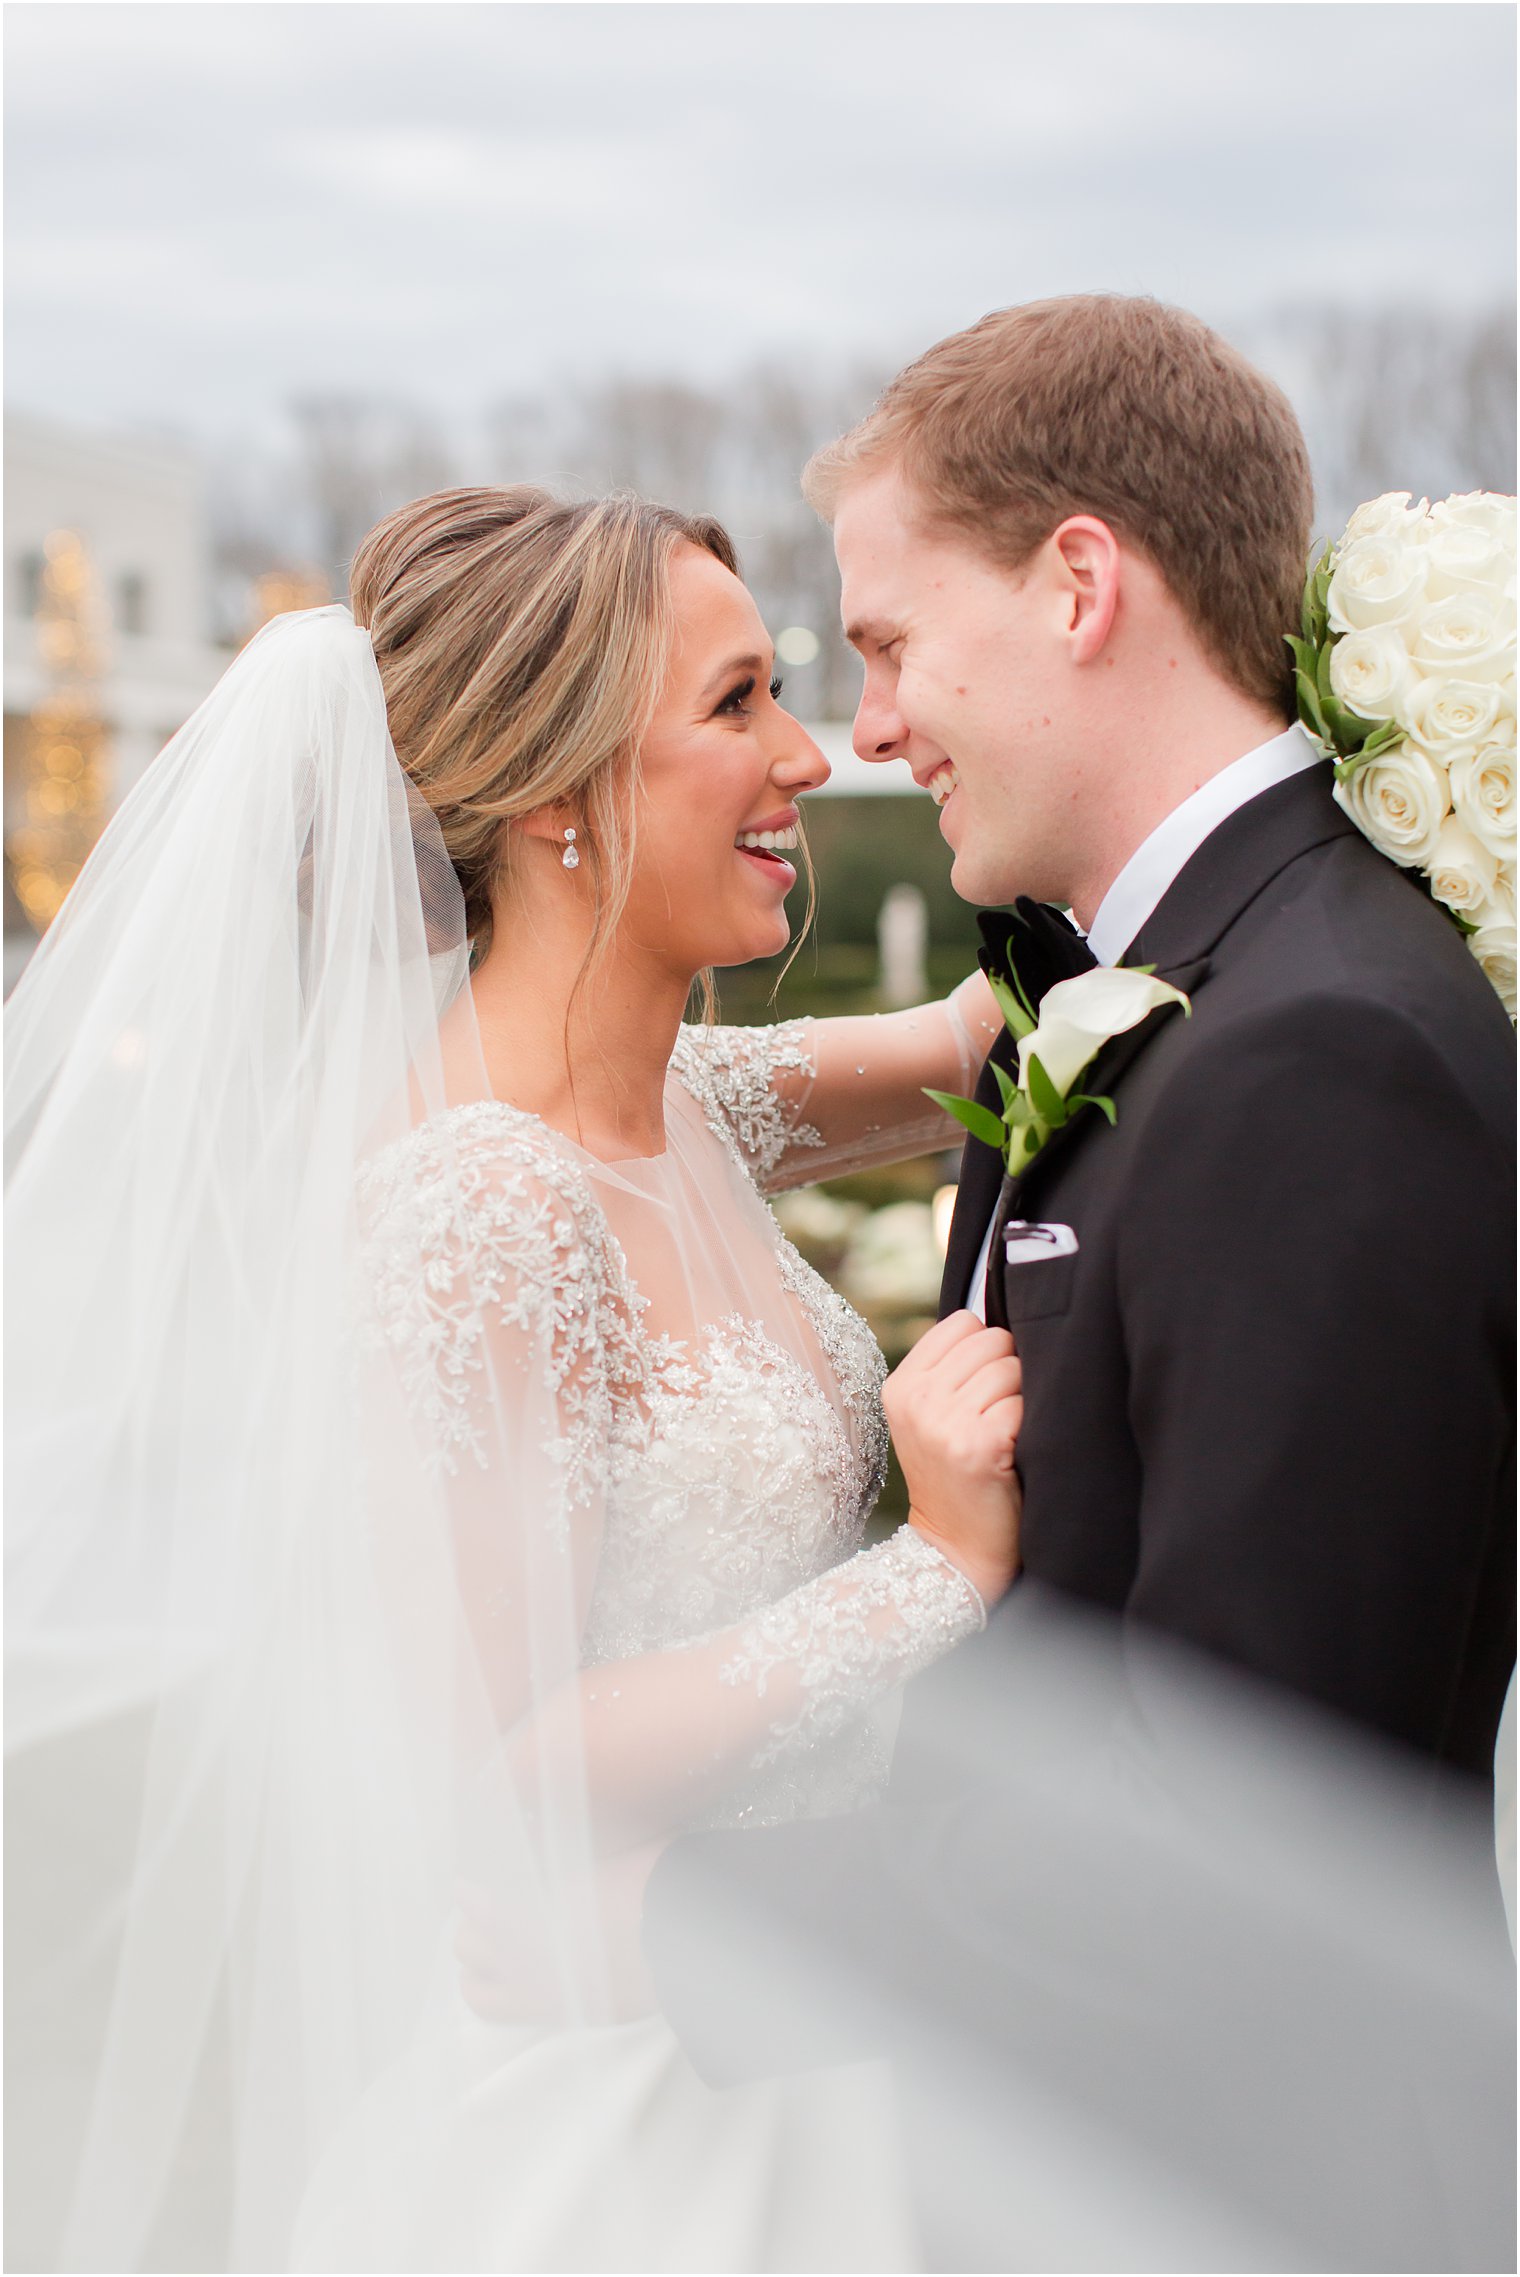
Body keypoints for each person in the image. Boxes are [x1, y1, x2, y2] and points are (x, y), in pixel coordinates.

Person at [4, 483, 1032, 2272]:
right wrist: (930, 1570)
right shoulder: (481, 1199)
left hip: (801, 2004)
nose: (804, 754)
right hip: (623, 2100)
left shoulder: (687, 1105)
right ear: (558, 797)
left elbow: (977, 1037)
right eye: (734, 705)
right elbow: (500, 1758)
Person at [641, 296, 1517, 2267]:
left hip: (1240, 2191)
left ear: (1079, 584)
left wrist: (693, 1920)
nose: (863, 726)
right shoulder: (1167, 984)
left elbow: (1245, 1818)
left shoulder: (1317, 1054)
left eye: (884, 640)